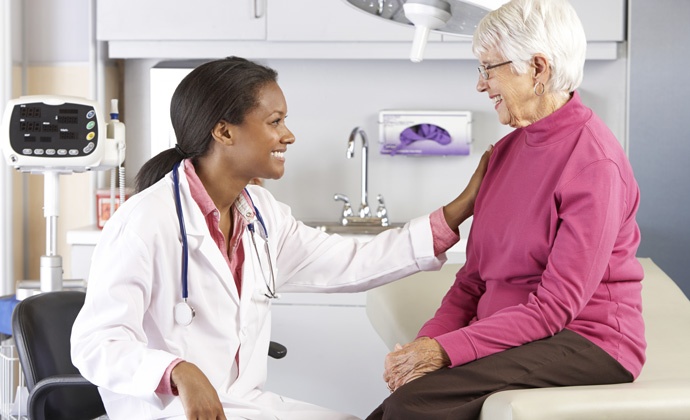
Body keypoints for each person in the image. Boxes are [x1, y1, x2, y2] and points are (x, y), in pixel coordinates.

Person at [70, 56, 492, 420]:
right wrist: (178, 370)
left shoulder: (260, 214)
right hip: (166, 410)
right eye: (275, 122)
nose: (288, 135)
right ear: (224, 131)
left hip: (242, 404)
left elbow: (352, 260)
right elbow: (95, 344)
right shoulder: (147, 219)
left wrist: (459, 209)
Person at [367, 0, 644, 419]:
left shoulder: (594, 164)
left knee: (413, 407)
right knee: (400, 402)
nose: (481, 85)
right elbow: (472, 279)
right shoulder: (504, 153)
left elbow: (555, 308)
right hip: (519, 332)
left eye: (489, 68)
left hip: (587, 340)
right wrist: (426, 344)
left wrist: (443, 351)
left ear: (537, 68)